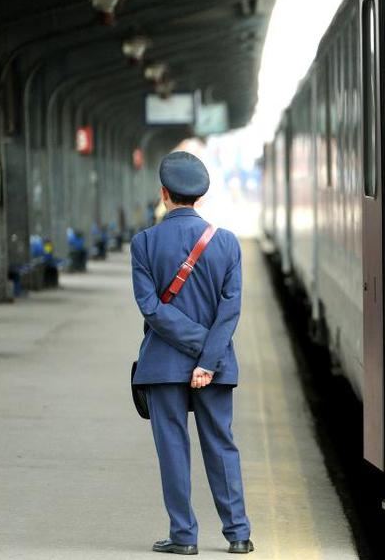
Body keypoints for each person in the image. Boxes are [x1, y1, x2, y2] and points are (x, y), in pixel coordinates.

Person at [130, 151, 253, 555]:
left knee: (173, 449)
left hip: (163, 367)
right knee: (221, 446)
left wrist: (195, 351)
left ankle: (183, 538)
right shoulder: (227, 243)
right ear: (199, 197)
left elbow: (151, 308)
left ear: (164, 193)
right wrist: (208, 357)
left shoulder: (144, 243)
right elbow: (230, 310)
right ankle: (238, 535)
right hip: (215, 368)